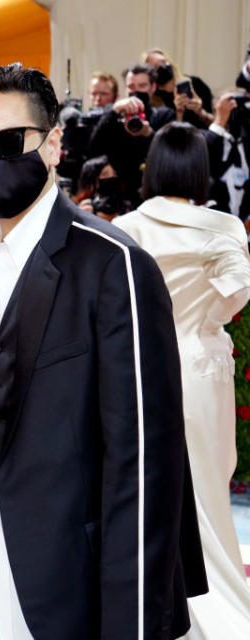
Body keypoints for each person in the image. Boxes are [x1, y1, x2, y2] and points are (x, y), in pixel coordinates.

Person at [0, 63, 206, 639]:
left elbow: (145, 468)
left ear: (54, 144)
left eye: (8, 143)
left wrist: (133, 625)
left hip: (77, 590)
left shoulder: (115, 265)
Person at [113, 122, 250, 639]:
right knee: (210, 486)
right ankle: (212, 600)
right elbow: (239, 286)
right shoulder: (221, 225)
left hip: (144, 367)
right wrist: (206, 321)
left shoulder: (126, 224)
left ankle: (164, 599)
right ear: (199, 168)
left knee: (156, 486)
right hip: (199, 364)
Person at [88, 62, 176, 197]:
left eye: (142, 86)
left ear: (153, 88)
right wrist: (114, 112)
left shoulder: (165, 116)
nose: (136, 92)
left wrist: (149, 134)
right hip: (118, 193)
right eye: (131, 86)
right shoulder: (112, 116)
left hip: (155, 190)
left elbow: (172, 157)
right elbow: (93, 150)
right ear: (125, 89)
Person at [203, 90, 249, 220]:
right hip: (215, 220)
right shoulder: (206, 137)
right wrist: (220, 122)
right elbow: (202, 160)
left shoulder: (244, 142)